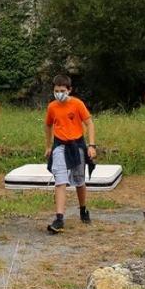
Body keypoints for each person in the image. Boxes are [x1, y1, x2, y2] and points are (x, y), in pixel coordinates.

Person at [44, 74, 97, 233]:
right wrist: (48, 146)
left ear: (69, 90)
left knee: (79, 180)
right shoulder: (52, 106)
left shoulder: (77, 104)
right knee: (60, 180)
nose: (59, 93)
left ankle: (83, 209)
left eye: (62, 90)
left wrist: (92, 145)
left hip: (77, 145)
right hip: (60, 145)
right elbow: (47, 126)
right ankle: (59, 218)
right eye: (56, 90)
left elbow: (89, 123)